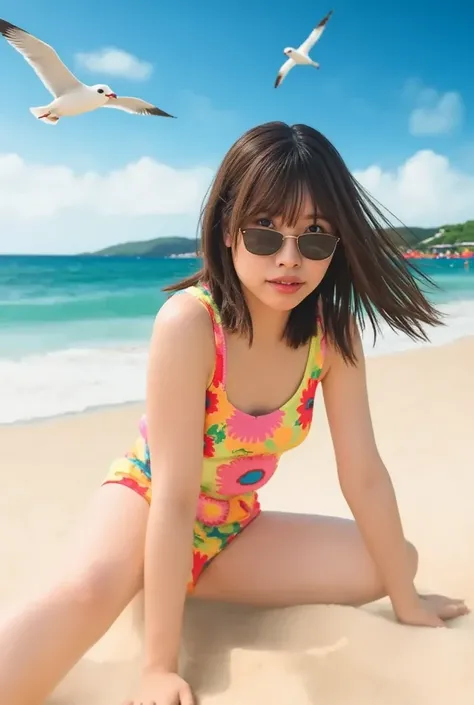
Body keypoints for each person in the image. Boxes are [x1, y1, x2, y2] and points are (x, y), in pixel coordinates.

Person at [0, 121, 468, 705]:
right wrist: (158, 668)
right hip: (146, 504)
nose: (289, 259)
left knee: (394, 561)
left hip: (232, 524)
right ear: (227, 230)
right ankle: (137, 575)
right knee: (89, 589)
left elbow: (363, 472)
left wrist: (406, 599)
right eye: (266, 232)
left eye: (316, 235)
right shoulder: (190, 324)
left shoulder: (332, 334)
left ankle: (167, 581)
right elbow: (172, 496)